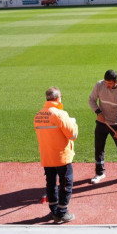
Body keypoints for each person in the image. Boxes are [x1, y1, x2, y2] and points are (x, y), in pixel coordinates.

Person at [34, 86, 79, 224]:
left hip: (47, 156)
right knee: (66, 185)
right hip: (61, 157)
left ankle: (54, 211)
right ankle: (62, 213)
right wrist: (73, 123)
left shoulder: (38, 115)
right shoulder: (60, 114)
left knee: (51, 184)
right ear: (58, 98)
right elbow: (73, 135)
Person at [88, 69, 117, 184]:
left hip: (116, 124)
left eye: (109, 83)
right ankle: (99, 173)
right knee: (99, 148)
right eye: (106, 82)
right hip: (102, 122)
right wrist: (98, 112)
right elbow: (91, 100)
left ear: (116, 82)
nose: (107, 85)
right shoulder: (99, 85)